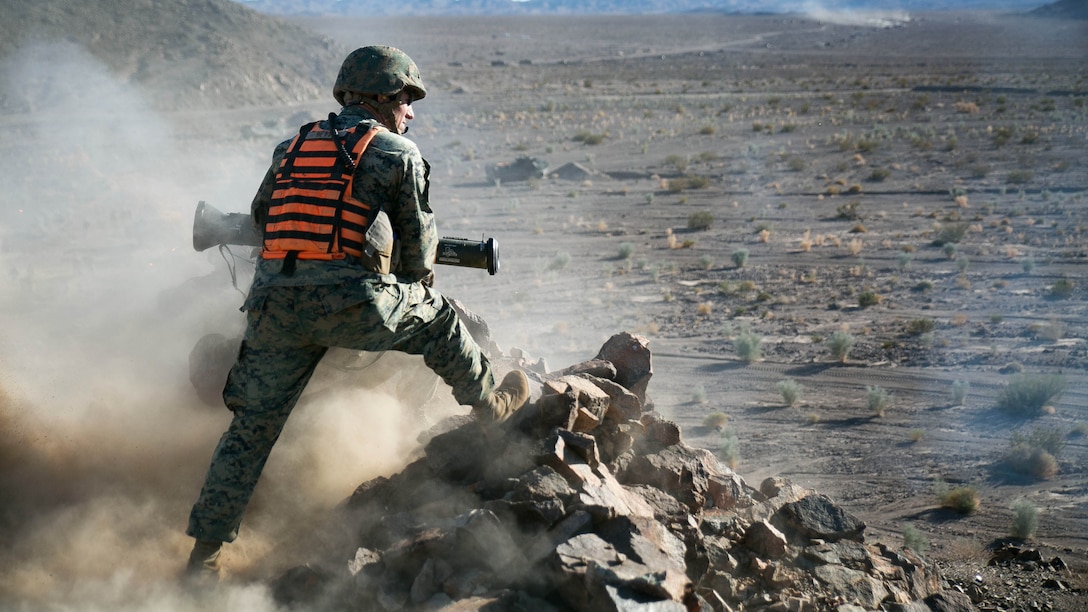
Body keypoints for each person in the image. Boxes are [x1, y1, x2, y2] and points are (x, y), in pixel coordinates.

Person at [184, 45, 529, 579]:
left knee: (249, 432)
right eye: (407, 100)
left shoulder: (292, 145)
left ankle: (203, 559)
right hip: (352, 304)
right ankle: (493, 406)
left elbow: (261, 220)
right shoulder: (398, 154)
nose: (410, 112)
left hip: (274, 307)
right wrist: (384, 267)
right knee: (438, 318)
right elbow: (418, 258)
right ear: (383, 97)